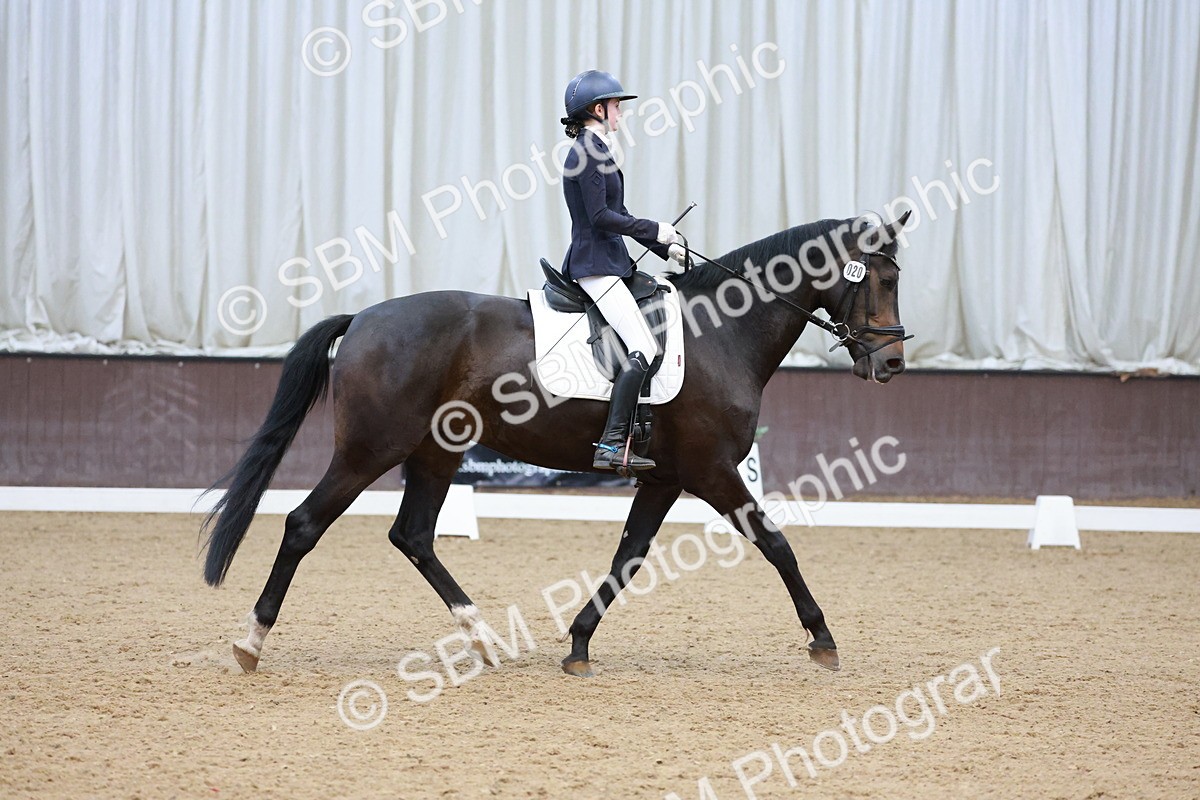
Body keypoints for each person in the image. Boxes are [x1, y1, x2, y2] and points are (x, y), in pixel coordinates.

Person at [559, 69, 689, 472]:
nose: (621, 113)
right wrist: (654, 228)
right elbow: (600, 217)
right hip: (595, 267)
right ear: (598, 109)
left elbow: (621, 215)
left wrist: (662, 245)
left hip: (609, 261)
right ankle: (612, 446)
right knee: (644, 347)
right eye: (617, 106)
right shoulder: (586, 152)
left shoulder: (598, 150)